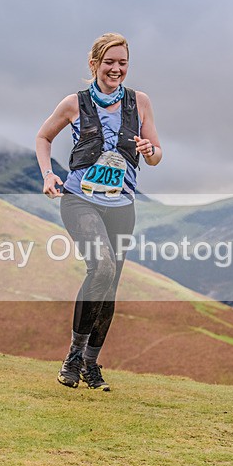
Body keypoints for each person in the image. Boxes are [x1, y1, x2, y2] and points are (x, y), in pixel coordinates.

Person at [35, 32, 162, 391]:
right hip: (81, 200)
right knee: (101, 266)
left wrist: (149, 149)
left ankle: (90, 366)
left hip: (122, 205)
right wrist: (48, 175)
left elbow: (155, 156)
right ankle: (73, 357)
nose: (116, 69)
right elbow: (43, 137)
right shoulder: (74, 103)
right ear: (94, 65)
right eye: (109, 62)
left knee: (109, 287)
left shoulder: (141, 103)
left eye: (122, 63)